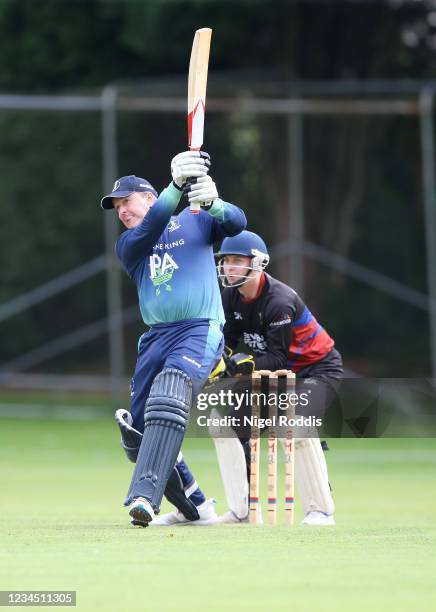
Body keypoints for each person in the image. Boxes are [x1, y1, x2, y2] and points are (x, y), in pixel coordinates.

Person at [100, 150, 246, 527]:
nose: (122, 212)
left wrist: (214, 204)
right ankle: (194, 505)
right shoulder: (130, 244)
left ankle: (143, 499)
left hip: (198, 328)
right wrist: (176, 186)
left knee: (169, 394)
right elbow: (152, 227)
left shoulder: (194, 221)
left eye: (126, 202)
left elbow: (237, 224)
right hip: (156, 336)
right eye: (116, 208)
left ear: (148, 198)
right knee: (137, 432)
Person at [211, 230, 343, 526]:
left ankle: (320, 510)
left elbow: (279, 358)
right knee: (223, 421)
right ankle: (241, 511)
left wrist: (243, 365)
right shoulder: (231, 296)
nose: (228, 267)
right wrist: (216, 364)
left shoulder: (279, 301)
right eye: (225, 261)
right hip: (279, 373)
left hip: (318, 368)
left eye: (236, 261)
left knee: (292, 424)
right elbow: (227, 340)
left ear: (257, 263)